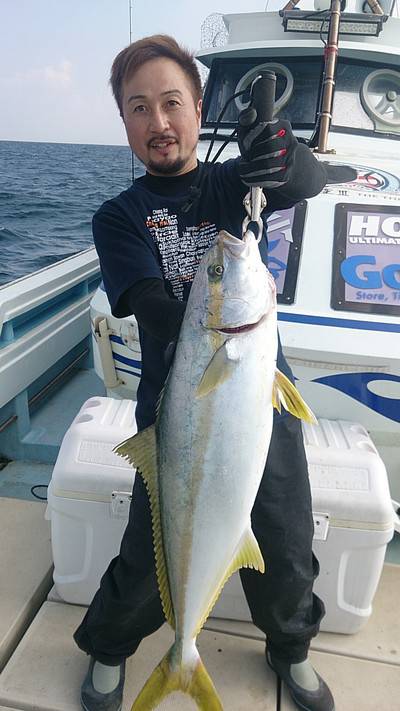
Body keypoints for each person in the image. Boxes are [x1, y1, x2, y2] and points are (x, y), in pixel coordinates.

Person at [74, 34, 335, 711]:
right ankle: (111, 645)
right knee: (145, 550)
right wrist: (210, 315)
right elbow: (152, 308)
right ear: (125, 123)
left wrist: (278, 149)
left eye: (171, 103)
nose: (158, 122)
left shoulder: (232, 182)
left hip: (260, 404)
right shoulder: (120, 216)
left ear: (197, 108)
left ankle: (290, 647)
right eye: (138, 108)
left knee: (283, 536)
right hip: (175, 413)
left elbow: (304, 183)